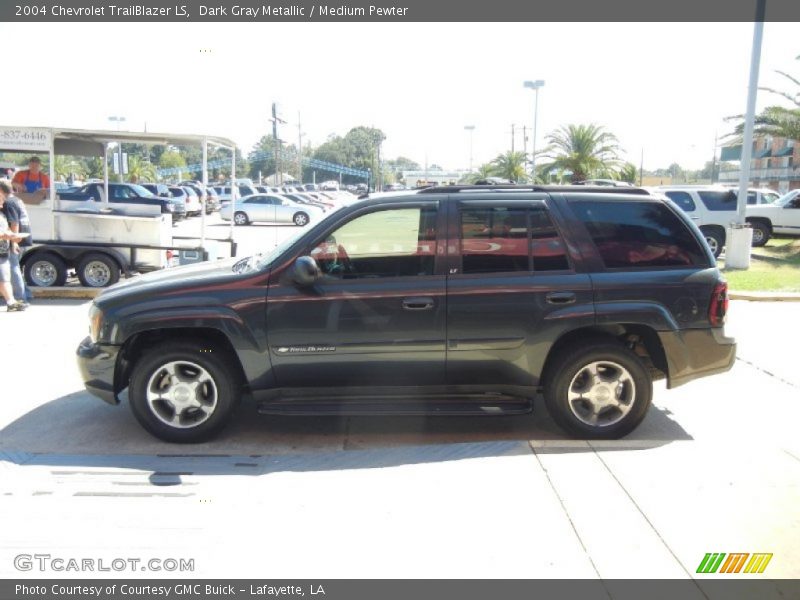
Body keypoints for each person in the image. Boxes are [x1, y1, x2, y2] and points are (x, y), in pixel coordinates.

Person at [0, 180, 33, 304]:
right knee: (15, 268)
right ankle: (25, 294)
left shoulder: (9, 202)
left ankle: (20, 298)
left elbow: (14, 222)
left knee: (13, 268)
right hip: (20, 238)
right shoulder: (16, 200)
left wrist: (14, 242)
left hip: (15, 240)